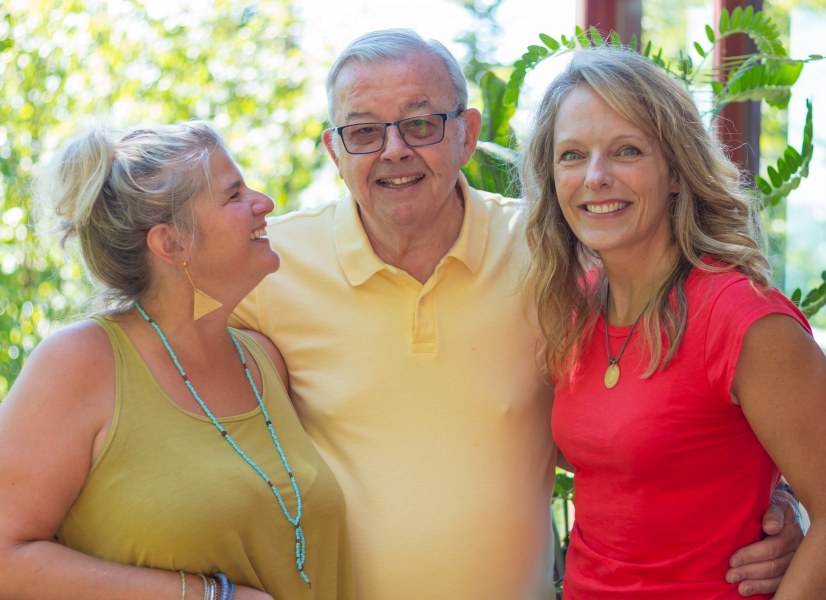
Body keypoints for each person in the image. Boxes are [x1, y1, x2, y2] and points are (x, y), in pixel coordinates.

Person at [231, 29, 806, 599]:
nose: (395, 150)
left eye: (421, 122)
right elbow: (159, 351)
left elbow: (707, 412)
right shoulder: (265, 268)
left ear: (467, 134)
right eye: (363, 131)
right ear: (334, 150)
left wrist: (781, 506)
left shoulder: (549, 262)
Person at [0, 122, 354, 599]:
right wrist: (212, 597)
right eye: (233, 196)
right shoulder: (79, 362)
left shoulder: (265, 360)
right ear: (171, 244)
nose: (263, 203)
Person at [522, 45, 826, 599]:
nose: (595, 177)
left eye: (627, 150)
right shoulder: (573, 311)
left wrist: (789, 514)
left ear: (677, 173)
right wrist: (774, 495)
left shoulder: (743, 319)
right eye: (571, 155)